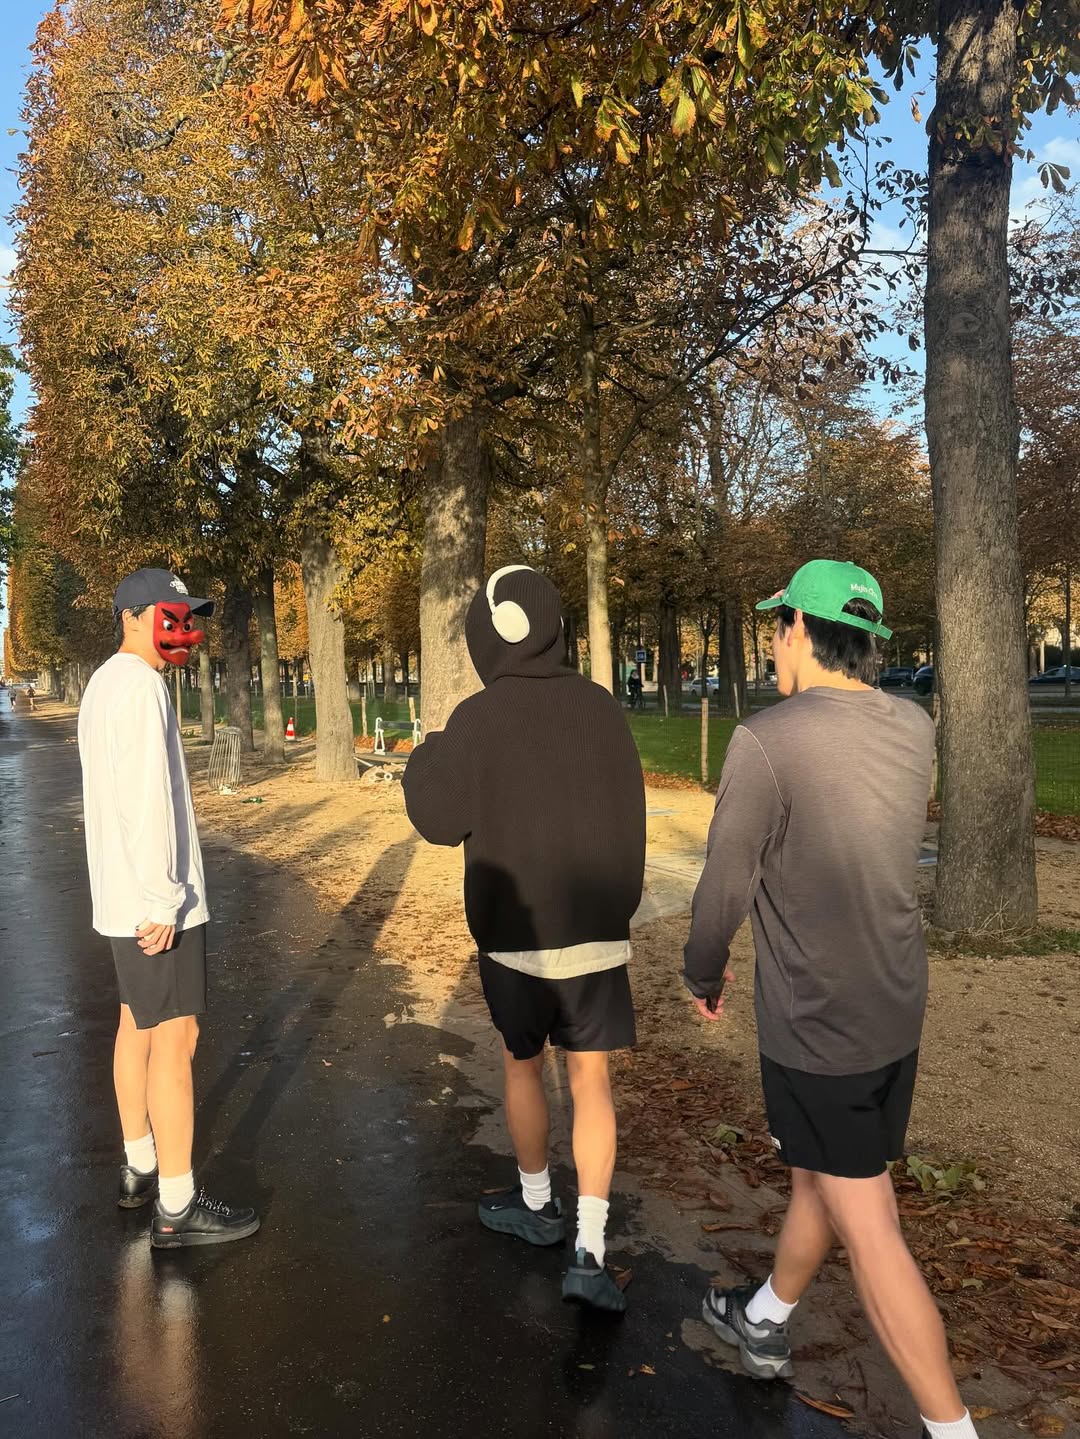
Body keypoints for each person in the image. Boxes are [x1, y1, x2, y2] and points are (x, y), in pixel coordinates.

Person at [684, 559, 980, 1439]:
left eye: (779, 627)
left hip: (820, 1025)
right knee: (825, 1171)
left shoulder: (768, 741)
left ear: (802, 631)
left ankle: (953, 1428)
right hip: (894, 1006)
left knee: (871, 1223)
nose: (774, 642)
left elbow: (724, 883)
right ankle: (764, 1317)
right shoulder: (914, 726)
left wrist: (703, 971)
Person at [403, 566, 646, 1311]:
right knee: (591, 1080)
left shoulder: (479, 718)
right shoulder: (602, 708)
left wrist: (427, 752)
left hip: (515, 938)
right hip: (596, 933)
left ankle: (538, 1204)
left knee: (522, 1065)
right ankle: (590, 1248)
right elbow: (630, 814)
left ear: (487, 635)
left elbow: (438, 819)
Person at [78, 568, 259, 1249]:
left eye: (187, 617)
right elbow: (146, 797)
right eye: (170, 615)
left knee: (137, 1023)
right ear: (132, 616)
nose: (183, 628)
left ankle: (140, 1165)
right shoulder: (141, 686)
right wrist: (163, 897)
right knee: (176, 1038)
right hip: (156, 903)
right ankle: (178, 1205)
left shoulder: (104, 683)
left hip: (124, 897)